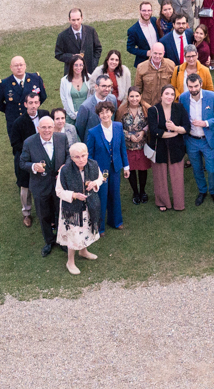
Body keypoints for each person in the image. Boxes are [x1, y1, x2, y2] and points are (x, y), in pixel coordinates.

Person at [0, 54, 47, 193]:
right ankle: (22, 179)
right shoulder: (4, 84)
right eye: (16, 65)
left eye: (21, 64)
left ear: (25, 66)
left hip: (34, 120)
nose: (19, 67)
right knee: (19, 149)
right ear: (11, 67)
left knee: (38, 145)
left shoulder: (35, 78)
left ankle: (40, 171)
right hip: (15, 123)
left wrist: (33, 108)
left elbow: (43, 96)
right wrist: (11, 113)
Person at [19, 113, 68, 256]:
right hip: (40, 186)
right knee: (43, 215)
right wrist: (34, 166)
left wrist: (64, 167)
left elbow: (69, 156)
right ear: (38, 128)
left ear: (54, 127)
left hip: (59, 185)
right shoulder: (29, 142)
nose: (47, 130)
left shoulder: (62, 138)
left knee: (61, 213)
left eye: (49, 127)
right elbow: (22, 162)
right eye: (44, 128)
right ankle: (49, 241)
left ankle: (61, 240)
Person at [55, 142, 102, 274]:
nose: (81, 159)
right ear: (71, 157)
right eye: (77, 157)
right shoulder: (65, 170)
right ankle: (70, 262)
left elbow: (100, 178)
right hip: (72, 210)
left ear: (87, 154)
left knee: (87, 230)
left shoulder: (93, 165)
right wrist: (74, 195)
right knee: (74, 235)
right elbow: (58, 192)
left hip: (89, 206)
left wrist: (94, 183)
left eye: (83, 155)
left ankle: (83, 251)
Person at [181, 73, 214, 207]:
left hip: (207, 140)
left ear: (201, 84)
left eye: (196, 86)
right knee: (196, 168)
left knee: (211, 169)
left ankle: (213, 192)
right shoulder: (183, 98)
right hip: (191, 140)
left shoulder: (212, 96)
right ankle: (202, 191)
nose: (193, 89)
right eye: (190, 86)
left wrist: (206, 123)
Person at [84, 100, 128, 232]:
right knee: (102, 197)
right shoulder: (93, 132)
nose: (105, 115)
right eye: (101, 113)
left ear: (112, 112)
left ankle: (116, 221)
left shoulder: (118, 127)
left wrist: (126, 166)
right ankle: (100, 227)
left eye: (107, 112)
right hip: (100, 171)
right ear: (98, 115)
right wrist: (92, 172)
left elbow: (122, 148)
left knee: (115, 195)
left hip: (115, 168)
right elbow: (89, 155)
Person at [146, 84, 189, 212]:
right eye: (167, 94)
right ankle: (162, 202)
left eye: (172, 94)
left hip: (176, 147)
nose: (169, 96)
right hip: (159, 148)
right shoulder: (153, 110)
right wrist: (174, 133)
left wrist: (176, 128)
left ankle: (179, 204)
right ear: (161, 96)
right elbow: (154, 130)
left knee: (177, 176)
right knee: (160, 176)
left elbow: (186, 127)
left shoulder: (179, 107)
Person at [8, 91, 48, 226]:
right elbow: (15, 143)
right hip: (26, 159)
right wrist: (31, 152)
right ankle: (27, 213)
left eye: (36, 102)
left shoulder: (45, 115)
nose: (33, 106)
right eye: (30, 103)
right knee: (25, 187)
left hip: (45, 156)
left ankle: (46, 210)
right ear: (25, 104)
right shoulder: (18, 122)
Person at [118, 88, 152, 206]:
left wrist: (143, 132)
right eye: (132, 96)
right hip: (128, 146)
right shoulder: (122, 110)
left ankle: (142, 191)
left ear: (141, 96)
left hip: (142, 145)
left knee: (143, 169)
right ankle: (135, 192)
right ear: (128, 97)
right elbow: (117, 127)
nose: (134, 99)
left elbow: (151, 123)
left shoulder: (146, 109)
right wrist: (128, 136)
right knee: (131, 169)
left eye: (137, 96)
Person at [54, 8, 102, 77]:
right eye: (73, 20)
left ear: (82, 18)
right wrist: (72, 57)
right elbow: (58, 54)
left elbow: (98, 48)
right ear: (69, 20)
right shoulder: (62, 36)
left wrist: (93, 63)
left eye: (78, 19)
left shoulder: (91, 31)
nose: (76, 23)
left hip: (89, 71)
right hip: (72, 73)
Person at [72, 74, 116, 141]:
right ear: (96, 86)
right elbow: (80, 129)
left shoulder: (113, 99)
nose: (107, 89)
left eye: (109, 86)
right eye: (104, 86)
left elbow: (113, 118)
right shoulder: (86, 106)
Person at [59, 55, 91, 129]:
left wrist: (85, 114)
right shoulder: (64, 81)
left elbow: (92, 97)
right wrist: (73, 115)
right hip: (70, 115)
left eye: (81, 65)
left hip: (86, 115)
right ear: (71, 66)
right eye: (76, 65)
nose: (78, 68)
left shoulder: (89, 78)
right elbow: (64, 99)